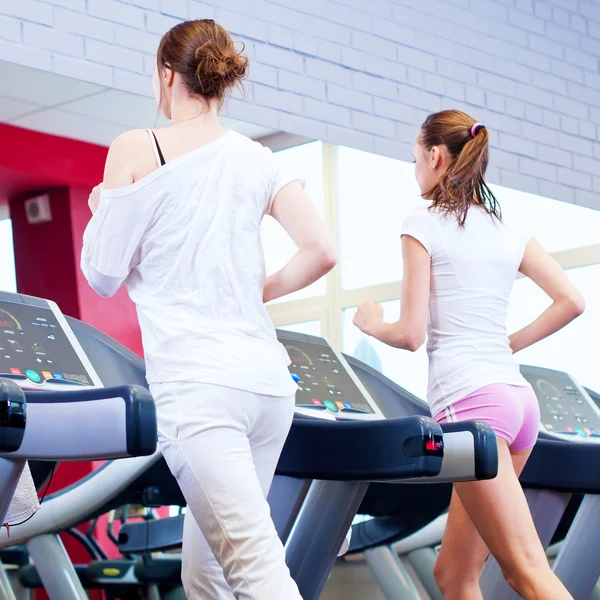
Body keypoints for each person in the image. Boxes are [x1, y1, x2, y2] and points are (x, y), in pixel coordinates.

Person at [81, 19, 337, 600]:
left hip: (200, 389)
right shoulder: (258, 158)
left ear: (167, 76)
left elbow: (101, 274)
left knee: (256, 573)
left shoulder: (137, 146)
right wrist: (254, 291)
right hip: (267, 389)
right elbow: (322, 250)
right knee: (206, 574)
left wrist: (105, 205)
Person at [353, 109, 583, 600]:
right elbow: (572, 301)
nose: (414, 169)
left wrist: (371, 322)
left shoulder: (422, 222)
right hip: (516, 403)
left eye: (414, 158)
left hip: (471, 406)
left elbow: (411, 334)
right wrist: (509, 344)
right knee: (453, 575)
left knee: (527, 571)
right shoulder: (506, 228)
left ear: (435, 155)